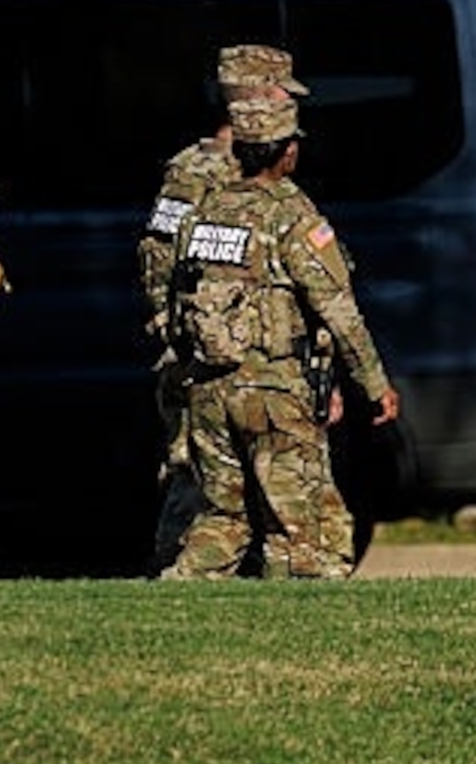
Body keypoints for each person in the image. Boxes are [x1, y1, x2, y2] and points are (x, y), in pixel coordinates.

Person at [159, 95, 400, 580]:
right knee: (298, 531)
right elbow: (338, 309)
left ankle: (178, 596)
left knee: (222, 519)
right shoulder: (292, 214)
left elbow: (175, 299)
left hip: (208, 389)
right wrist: (374, 385)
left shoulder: (203, 213)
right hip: (273, 391)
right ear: (287, 152)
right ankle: (296, 631)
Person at [137, 43, 309, 571]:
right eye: (282, 91)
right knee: (203, 487)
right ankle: (180, 584)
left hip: (207, 351)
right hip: (213, 357)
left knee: (218, 486)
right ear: (258, 95)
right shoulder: (208, 172)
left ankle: (191, 581)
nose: (289, 101)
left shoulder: (190, 169)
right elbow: (163, 265)